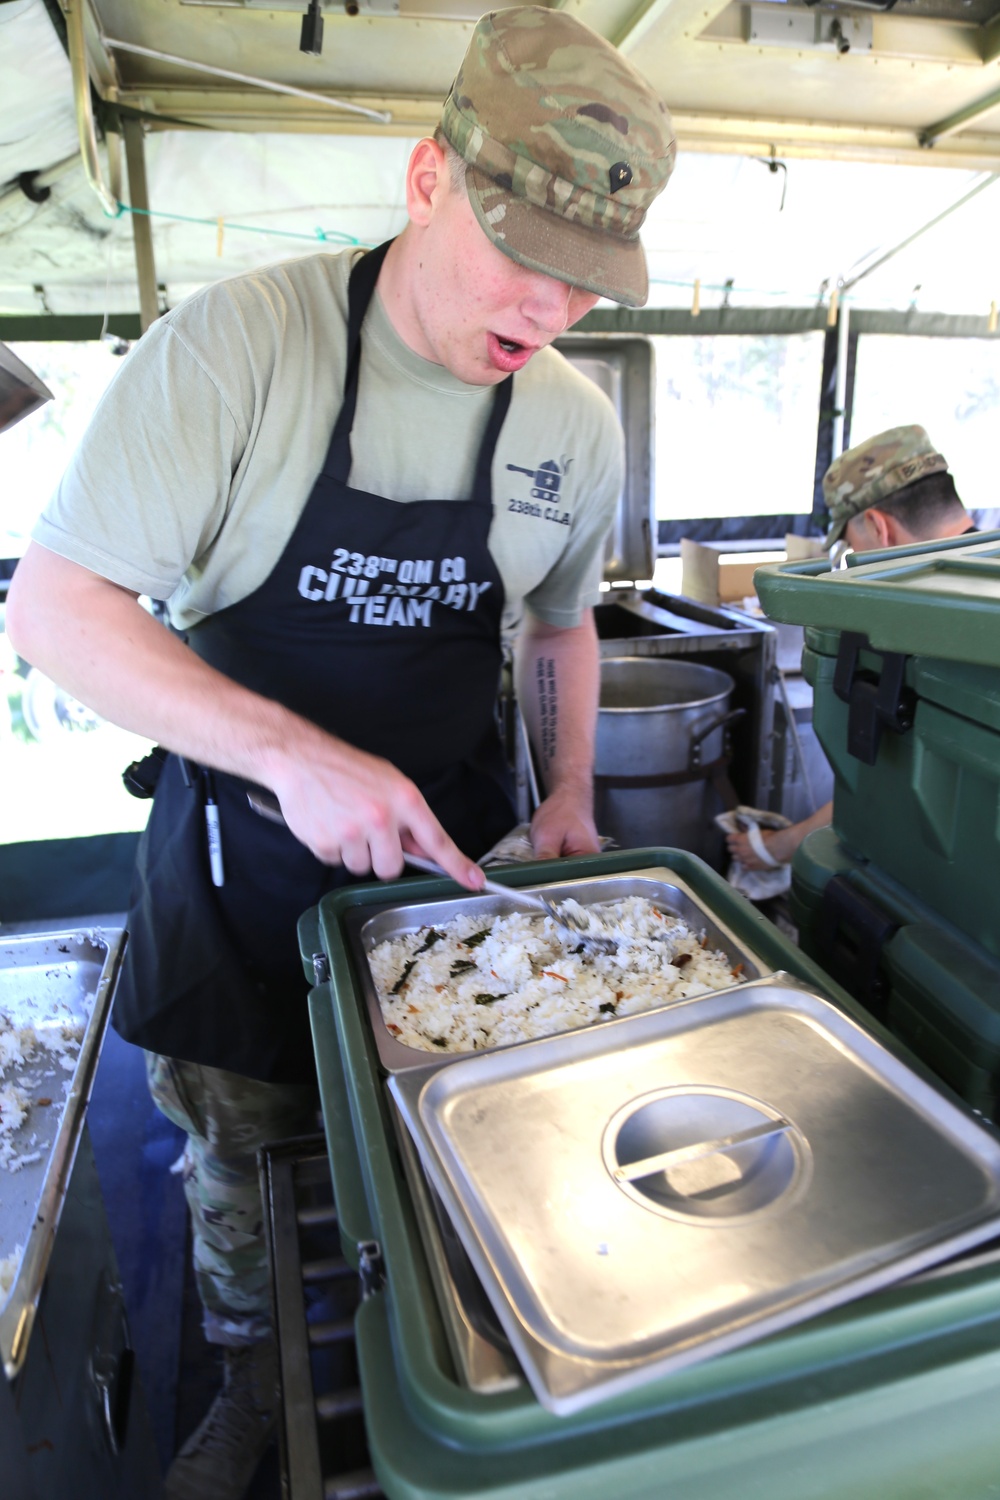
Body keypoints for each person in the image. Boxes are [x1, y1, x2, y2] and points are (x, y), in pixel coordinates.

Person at [5, 9, 676, 1497]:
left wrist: (568, 793)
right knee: (244, 1161)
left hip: (458, 870)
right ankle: (250, 1373)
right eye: (527, 258)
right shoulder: (241, 351)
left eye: (590, 281)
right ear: (431, 178)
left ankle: (467, 1377)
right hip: (245, 864)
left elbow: (560, 628)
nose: (553, 307)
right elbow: (58, 608)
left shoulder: (572, 422)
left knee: (465, 1147)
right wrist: (292, 756)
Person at [727, 423, 975, 873]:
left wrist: (784, 845)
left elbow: (890, 781)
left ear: (878, 527)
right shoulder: (980, 584)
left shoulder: (921, 628)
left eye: (849, 543)